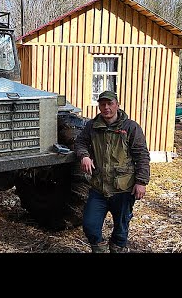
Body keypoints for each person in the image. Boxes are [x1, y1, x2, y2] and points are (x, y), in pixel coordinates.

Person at [74, 90, 150, 253]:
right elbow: (80, 142)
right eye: (103, 104)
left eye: (110, 104)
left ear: (117, 105)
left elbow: (142, 155)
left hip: (123, 188)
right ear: (99, 106)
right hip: (99, 187)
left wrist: (141, 182)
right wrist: (84, 156)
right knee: (90, 225)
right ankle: (100, 248)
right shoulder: (93, 126)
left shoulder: (130, 127)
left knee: (121, 228)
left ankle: (117, 249)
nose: (106, 107)